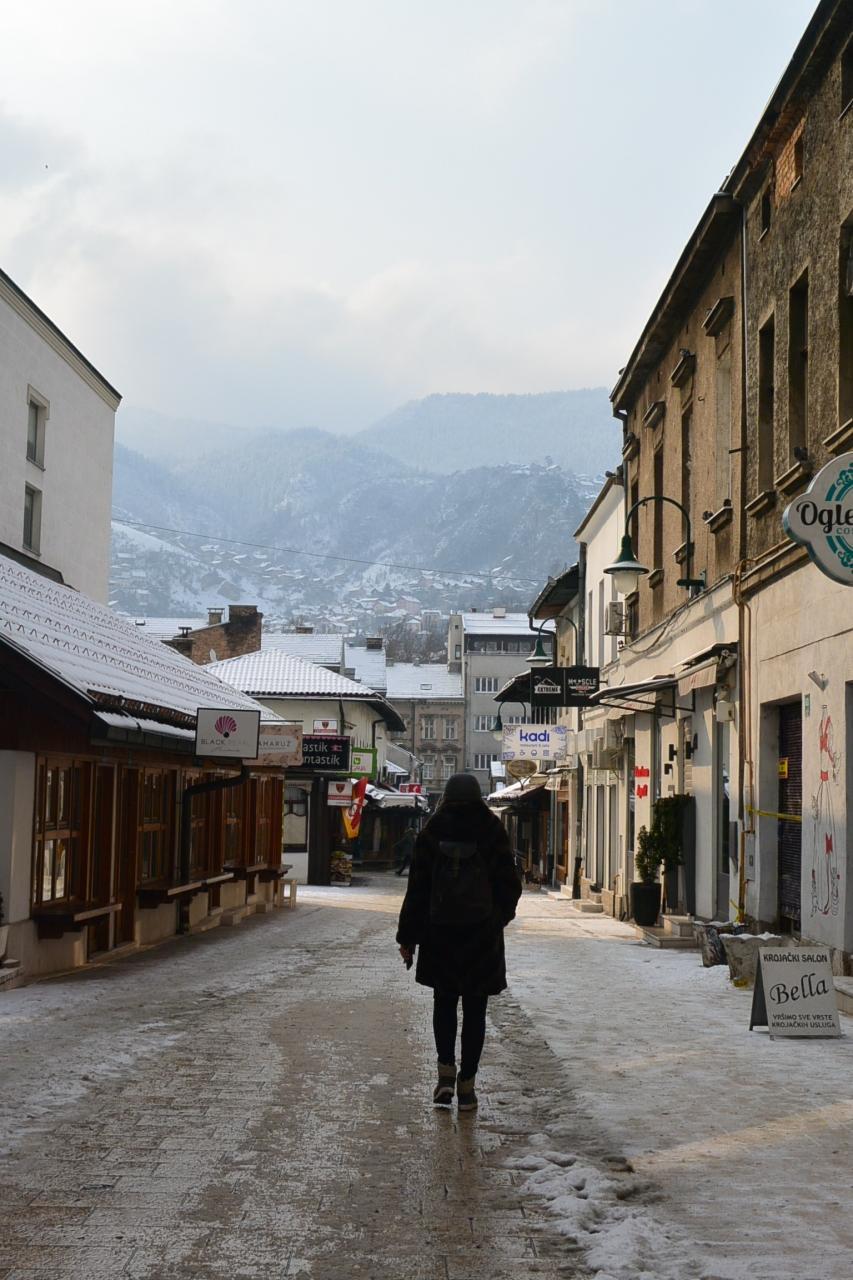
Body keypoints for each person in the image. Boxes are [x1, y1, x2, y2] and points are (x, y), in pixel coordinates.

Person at [396, 772, 522, 1112]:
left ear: (447, 797)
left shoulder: (432, 831)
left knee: (444, 1004)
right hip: (481, 937)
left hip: (441, 934)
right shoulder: (492, 830)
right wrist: (495, 920)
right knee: (476, 1011)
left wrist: (408, 937)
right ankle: (467, 1087)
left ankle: (444, 1076)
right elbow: (510, 885)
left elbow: (417, 891)